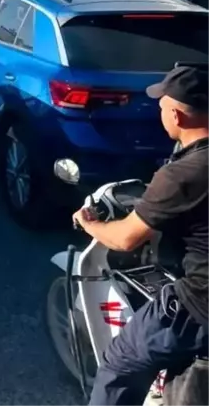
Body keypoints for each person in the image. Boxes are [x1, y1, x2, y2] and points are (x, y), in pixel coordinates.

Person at [78, 64, 209, 406]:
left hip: (198, 305)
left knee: (120, 362)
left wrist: (91, 224)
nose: (159, 112)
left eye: (162, 106)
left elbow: (124, 239)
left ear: (177, 116)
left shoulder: (183, 173)